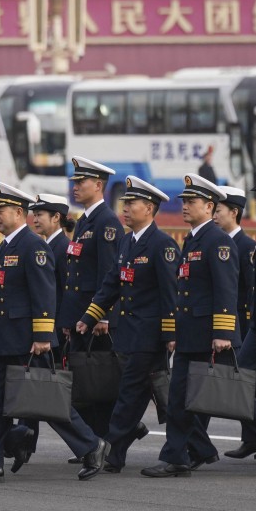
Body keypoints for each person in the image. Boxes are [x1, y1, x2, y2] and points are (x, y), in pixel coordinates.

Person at [0, 182, 107, 484]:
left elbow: (44, 295)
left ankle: (92, 445)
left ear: (19, 213)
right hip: (3, 339)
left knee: (47, 402)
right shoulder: (4, 247)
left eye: (2, 211)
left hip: (26, 341)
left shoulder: (33, 246)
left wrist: (41, 336)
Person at [75, 177, 179, 472]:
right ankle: (193, 445)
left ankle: (112, 451)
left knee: (131, 395)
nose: (126, 208)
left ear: (149, 208)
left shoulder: (162, 244)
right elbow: (111, 284)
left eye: (132, 204)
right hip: (130, 334)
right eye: (125, 203)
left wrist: (170, 332)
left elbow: (170, 293)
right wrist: (89, 316)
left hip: (149, 335)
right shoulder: (126, 242)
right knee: (145, 396)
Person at [142, 174, 241, 478]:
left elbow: (226, 289)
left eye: (191, 201)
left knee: (237, 402)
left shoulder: (218, 241)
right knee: (181, 399)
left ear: (209, 205)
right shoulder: (194, 239)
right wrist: (174, 331)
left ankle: (183, 454)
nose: (184, 206)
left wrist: (222, 333)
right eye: (183, 201)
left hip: (209, 336)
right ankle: (180, 456)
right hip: (190, 334)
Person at [59, 157, 125, 445]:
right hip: (80, 315)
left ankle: (106, 440)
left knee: (99, 382)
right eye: (75, 181)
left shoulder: (106, 221)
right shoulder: (85, 219)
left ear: (98, 185)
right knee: (85, 383)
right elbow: (76, 273)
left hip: (95, 317)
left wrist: (103, 316)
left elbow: (109, 274)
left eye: (81, 182)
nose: (75, 186)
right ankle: (97, 441)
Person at [22, 193, 76, 456]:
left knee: (43, 387)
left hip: (53, 330)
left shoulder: (62, 248)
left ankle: (87, 443)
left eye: (40, 215)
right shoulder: (46, 245)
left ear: (56, 218)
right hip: (47, 327)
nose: (35, 219)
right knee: (33, 384)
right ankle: (25, 441)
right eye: (34, 214)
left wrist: (61, 327)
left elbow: (65, 292)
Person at [211, 186, 256, 459]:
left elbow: (252, 290)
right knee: (244, 384)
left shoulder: (246, 246)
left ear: (234, 213)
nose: (214, 215)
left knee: (241, 384)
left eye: (218, 211)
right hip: (235, 326)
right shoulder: (218, 242)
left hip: (244, 326)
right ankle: (251, 439)